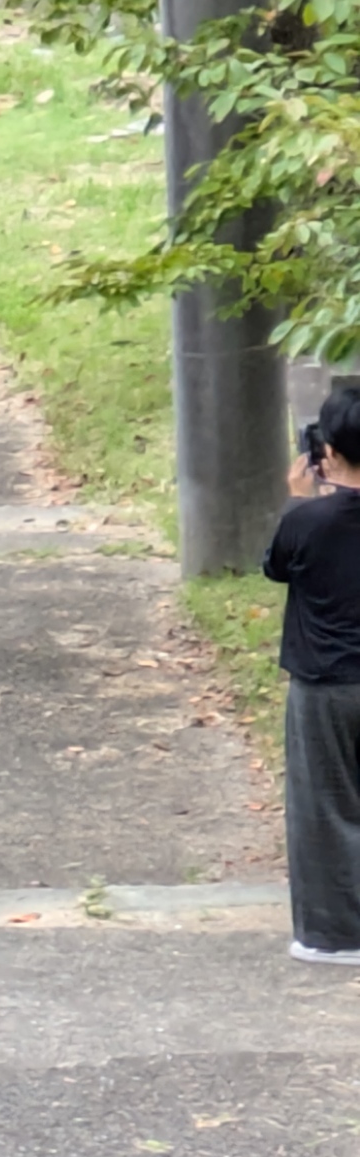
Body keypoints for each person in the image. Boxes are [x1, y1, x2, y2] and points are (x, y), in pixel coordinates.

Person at [264, 385, 360, 964]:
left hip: (324, 682)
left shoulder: (310, 519)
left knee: (323, 806)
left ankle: (333, 934)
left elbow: (276, 566)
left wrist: (299, 501)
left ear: (328, 449)